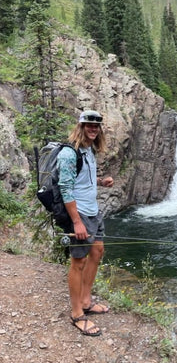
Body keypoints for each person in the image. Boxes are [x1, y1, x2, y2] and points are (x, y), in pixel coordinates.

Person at [57, 110, 114, 336]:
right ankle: (77, 313)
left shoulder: (88, 150)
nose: (93, 128)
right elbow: (65, 188)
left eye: (96, 126)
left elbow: (82, 180)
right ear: (80, 126)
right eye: (89, 125)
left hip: (93, 211)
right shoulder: (69, 153)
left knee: (97, 251)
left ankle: (86, 300)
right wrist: (77, 222)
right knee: (78, 261)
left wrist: (101, 181)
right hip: (79, 214)